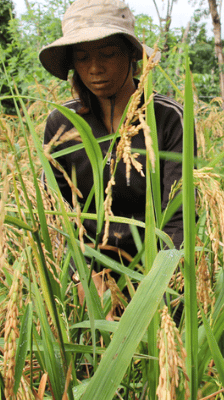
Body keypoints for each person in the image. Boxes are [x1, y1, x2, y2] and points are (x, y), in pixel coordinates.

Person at [38, 0, 191, 268]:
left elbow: (178, 216)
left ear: (131, 54)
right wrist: (82, 275)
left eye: (108, 54)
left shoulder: (167, 118)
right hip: (85, 264)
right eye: (83, 58)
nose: (95, 68)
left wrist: (157, 288)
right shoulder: (62, 122)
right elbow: (55, 212)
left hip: (154, 265)